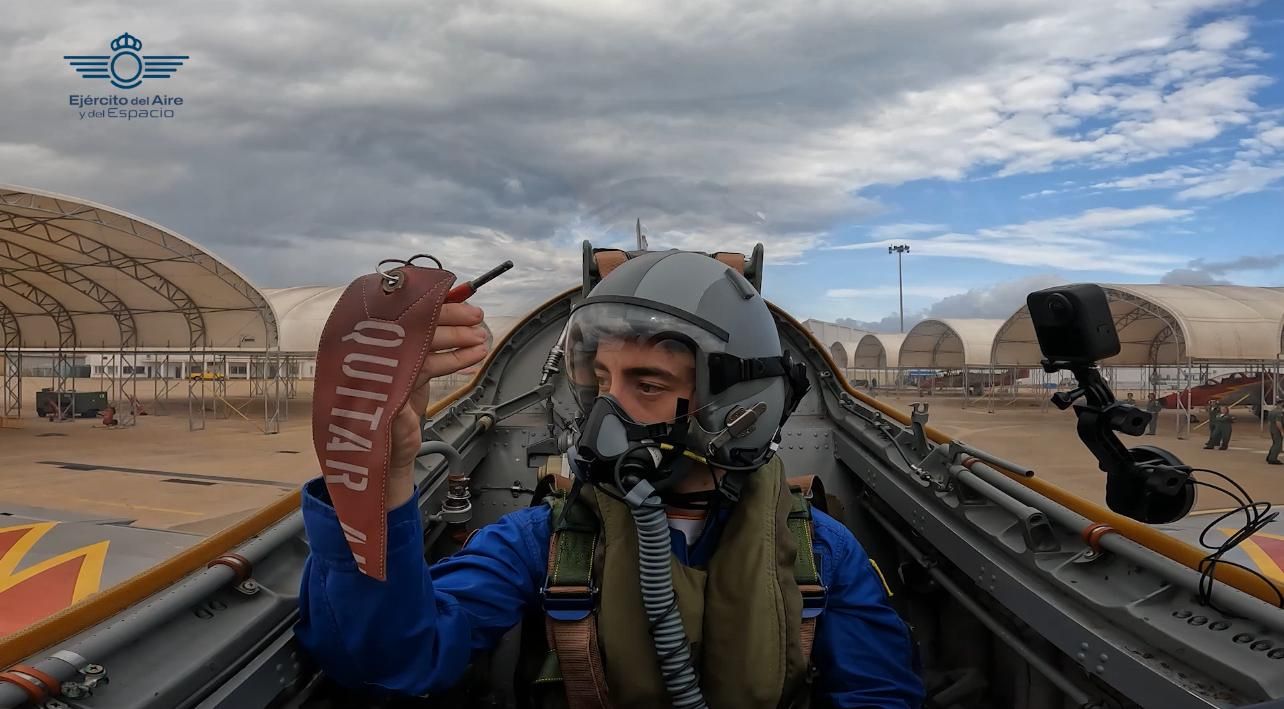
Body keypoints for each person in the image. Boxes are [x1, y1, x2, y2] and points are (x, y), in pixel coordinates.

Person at [295, 251, 924, 708]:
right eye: (600, 380)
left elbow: (879, 695)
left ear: (738, 410)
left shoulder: (818, 551)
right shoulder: (541, 539)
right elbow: (393, 663)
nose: (606, 413)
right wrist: (378, 476)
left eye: (647, 384)